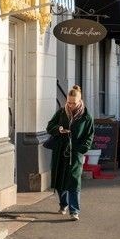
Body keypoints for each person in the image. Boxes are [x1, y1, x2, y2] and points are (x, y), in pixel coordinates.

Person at [46, 84, 94, 221]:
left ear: (80, 101)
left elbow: (89, 135)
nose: (71, 105)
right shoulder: (61, 112)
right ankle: (63, 204)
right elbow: (50, 126)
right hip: (60, 150)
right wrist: (59, 129)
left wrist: (82, 149)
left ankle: (74, 211)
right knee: (60, 178)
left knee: (74, 181)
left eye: (74, 103)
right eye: (68, 102)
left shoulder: (86, 116)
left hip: (76, 153)